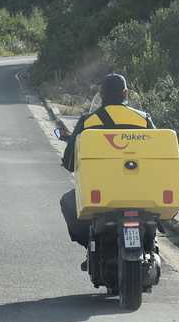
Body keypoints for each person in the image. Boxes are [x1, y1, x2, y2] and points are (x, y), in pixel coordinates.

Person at [58, 73, 155, 251]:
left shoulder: (88, 122)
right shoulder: (143, 119)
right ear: (125, 93)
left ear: (101, 95)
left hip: (102, 191)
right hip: (140, 189)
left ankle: (92, 245)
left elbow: (70, 160)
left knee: (68, 202)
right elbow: (157, 151)